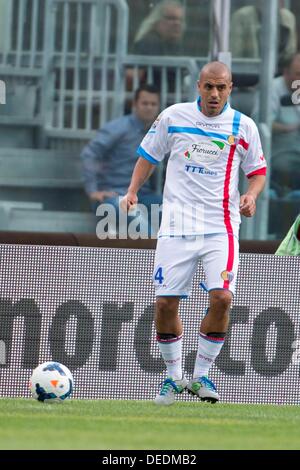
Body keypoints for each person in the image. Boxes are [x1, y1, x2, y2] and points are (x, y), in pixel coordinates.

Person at [121, 61, 267, 405]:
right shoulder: (174, 117)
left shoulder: (243, 126)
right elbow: (148, 156)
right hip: (176, 227)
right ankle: (173, 379)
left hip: (221, 226)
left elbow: (258, 171)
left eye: (222, 87)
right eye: (209, 87)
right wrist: (132, 190)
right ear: (198, 87)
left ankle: (201, 376)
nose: (215, 94)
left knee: (223, 298)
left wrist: (251, 195)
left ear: (231, 88)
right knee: (165, 303)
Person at [80, 85, 162, 235]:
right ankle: (154, 253)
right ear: (134, 105)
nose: (149, 108)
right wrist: (93, 191)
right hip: (113, 197)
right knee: (136, 216)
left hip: (144, 196)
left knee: (174, 212)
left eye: (153, 104)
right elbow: (90, 154)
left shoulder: (158, 133)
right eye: (145, 103)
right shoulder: (117, 128)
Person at [253, 53, 300, 195]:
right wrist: (290, 128)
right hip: (278, 155)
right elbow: (260, 123)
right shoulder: (272, 90)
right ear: (286, 72)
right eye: (297, 74)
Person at [230, 2, 297, 73]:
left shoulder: (288, 18)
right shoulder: (242, 16)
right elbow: (236, 56)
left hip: (281, 74)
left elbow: (290, 53)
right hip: (248, 74)